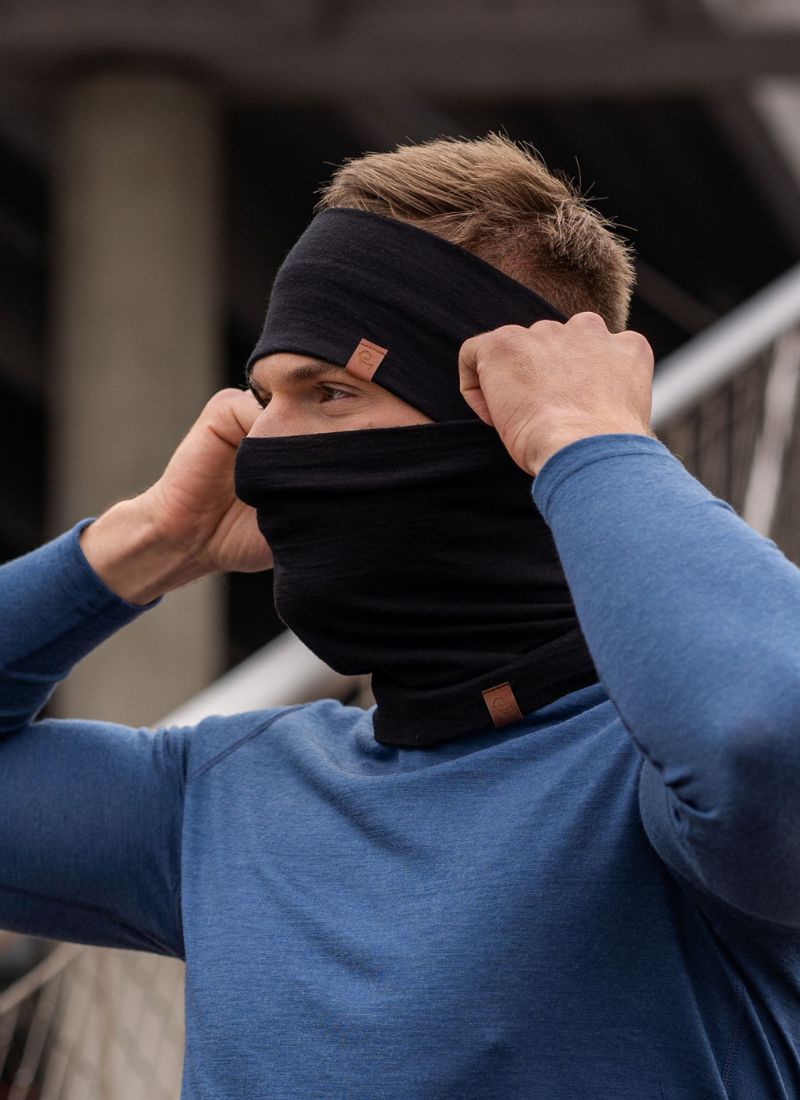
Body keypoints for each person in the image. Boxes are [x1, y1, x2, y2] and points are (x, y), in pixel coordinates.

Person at [1, 133, 799, 1099]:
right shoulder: (222, 799)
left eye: (330, 392)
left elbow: (762, 741)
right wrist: (140, 545)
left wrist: (590, 441)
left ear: (503, 423)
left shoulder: (663, 795)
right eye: (266, 399)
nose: (261, 449)